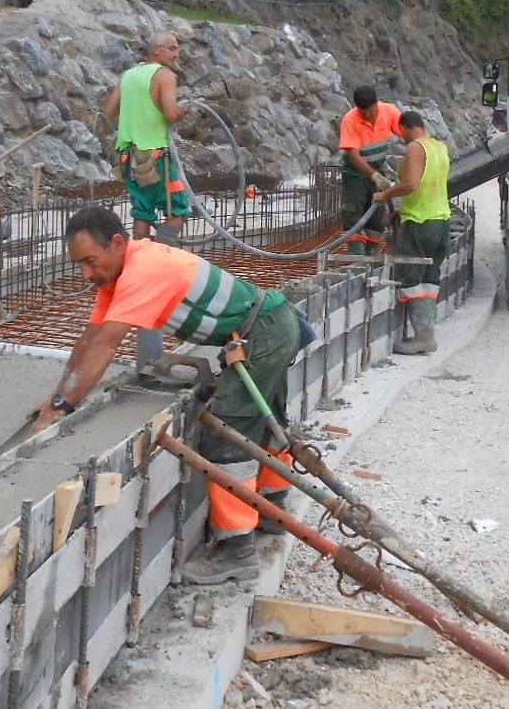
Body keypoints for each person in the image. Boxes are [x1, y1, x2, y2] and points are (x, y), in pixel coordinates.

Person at [32, 206, 306, 584]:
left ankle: (237, 550)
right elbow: (91, 338)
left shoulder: (143, 270)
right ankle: (273, 508)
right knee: (260, 420)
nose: (86, 274)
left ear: (116, 243)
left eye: (90, 262)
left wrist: (65, 406)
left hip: (264, 331)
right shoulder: (116, 276)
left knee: (228, 434)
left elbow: (107, 346)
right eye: (79, 265)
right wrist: (56, 398)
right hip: (268, 325)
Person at [374, 111, 452, 354]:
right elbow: (431, 184)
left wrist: (385, 195)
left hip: (420, 223)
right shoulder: (439, 147)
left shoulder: (415, 148)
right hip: (440, 221)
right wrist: (402, 210)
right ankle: (427, 332)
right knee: (429, 275)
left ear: (404, 128)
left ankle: (423, 337)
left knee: (409, 274)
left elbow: (412, 184)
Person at [101, 31, 189, 245]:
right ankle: (159, 257)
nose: (177, 54)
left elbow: (106, 115)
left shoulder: (129, 76)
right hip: (156, 157)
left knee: (143, 212)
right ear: (157, 49)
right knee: (178, 209)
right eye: (172, 48)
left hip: (128, 158)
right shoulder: (164, 76)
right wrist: (185, 111)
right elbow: (171, 114)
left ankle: (139, 259)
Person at [337, 86, 402, 255]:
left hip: (377, 169)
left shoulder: (388, 112)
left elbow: (407, 131)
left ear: (377, 104)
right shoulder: (350, 120)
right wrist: (373, 175)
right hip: (355, 173)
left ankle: (372, 255)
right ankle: (358, 260)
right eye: (364, 112)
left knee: (376, 216)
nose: (369, 116)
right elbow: (353, 155)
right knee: (352, 212)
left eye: (372, 111)